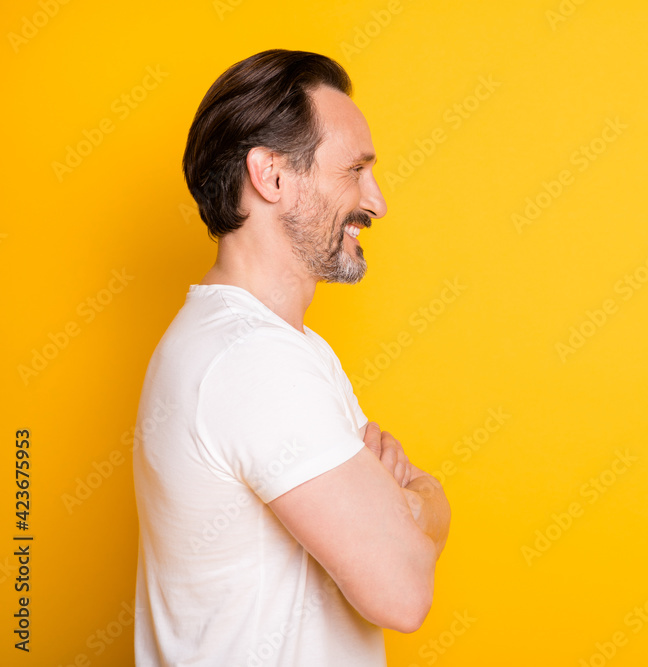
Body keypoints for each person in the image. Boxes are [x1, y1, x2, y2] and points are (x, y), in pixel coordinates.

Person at [132, 49, 451, 666]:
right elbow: (405, 592)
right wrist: (424, 501)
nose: (376, 201)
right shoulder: (253, 361)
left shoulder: (285, 348)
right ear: (272, 176)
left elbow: (397, 548)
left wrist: (406, 514)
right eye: (354, 170)